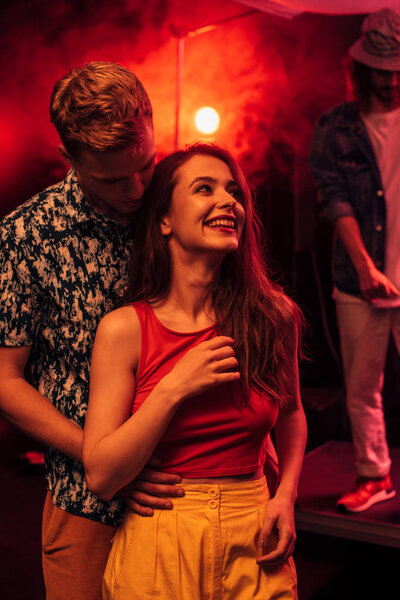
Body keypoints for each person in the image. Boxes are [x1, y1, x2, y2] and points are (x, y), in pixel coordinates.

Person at [83, 143, 307, 599]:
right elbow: (102, 477)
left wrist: (285, 496)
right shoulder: (125, 329)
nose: (228, 202)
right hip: (162, 532)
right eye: (204, 189)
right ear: (164, 220)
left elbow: (292, 414)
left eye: (233, 192)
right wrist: (173, 387)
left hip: (254, 527)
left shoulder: (273, 316)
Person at [0, 61, 185, 600]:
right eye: (110, 178)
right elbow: (6, 382)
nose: (135, 189)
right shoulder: (27, 237)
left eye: (146, 165)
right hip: (86, 500)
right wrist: (105, 456)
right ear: (68, 159)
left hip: (189, 484)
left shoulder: (178, 201)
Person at [309, 8, 400, 512]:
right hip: (358, 280)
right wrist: (367, 269)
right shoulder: (336, 126)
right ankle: (375, 474)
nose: (389, 81)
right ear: (360, 69)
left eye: (398, 70)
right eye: (380, 70)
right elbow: (335, 199)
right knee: (362, 388)